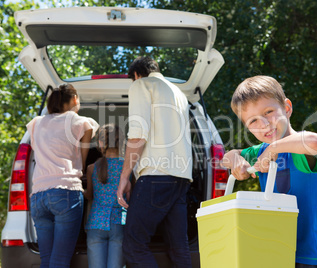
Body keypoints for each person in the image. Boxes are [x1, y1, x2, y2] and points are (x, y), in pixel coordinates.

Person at [222, 75, 317, 267]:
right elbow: (226, 158)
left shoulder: (298, 147)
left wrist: (273, 149)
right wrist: (236, 159)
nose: (264, 124)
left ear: (286, 108)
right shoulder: (259, 151)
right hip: (279, 250)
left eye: (268, 112)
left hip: (313, 255)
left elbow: (315, 142)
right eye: (253, 121)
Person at [116, 56, 193, 267]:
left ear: (136, 75)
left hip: (156, 176)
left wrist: (125, 177)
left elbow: (138, 135)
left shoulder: (142, 85)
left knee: (133, 245)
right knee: (179, 248)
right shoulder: (180, 94)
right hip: (181, 179)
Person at [27, 84, 99, 268]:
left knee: (47, 260)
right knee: (59, 261)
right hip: (65, 193)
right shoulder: (81, 122)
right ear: (74, 99)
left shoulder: (36, 123)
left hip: (38, 197)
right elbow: (81, 164)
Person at [84, 124, 126, 268]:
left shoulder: (92, 168)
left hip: (96, 223)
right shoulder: (127, 167)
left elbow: (89, 196)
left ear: (100, 143)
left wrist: (79, 190)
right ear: (122, 143)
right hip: (119, 223)